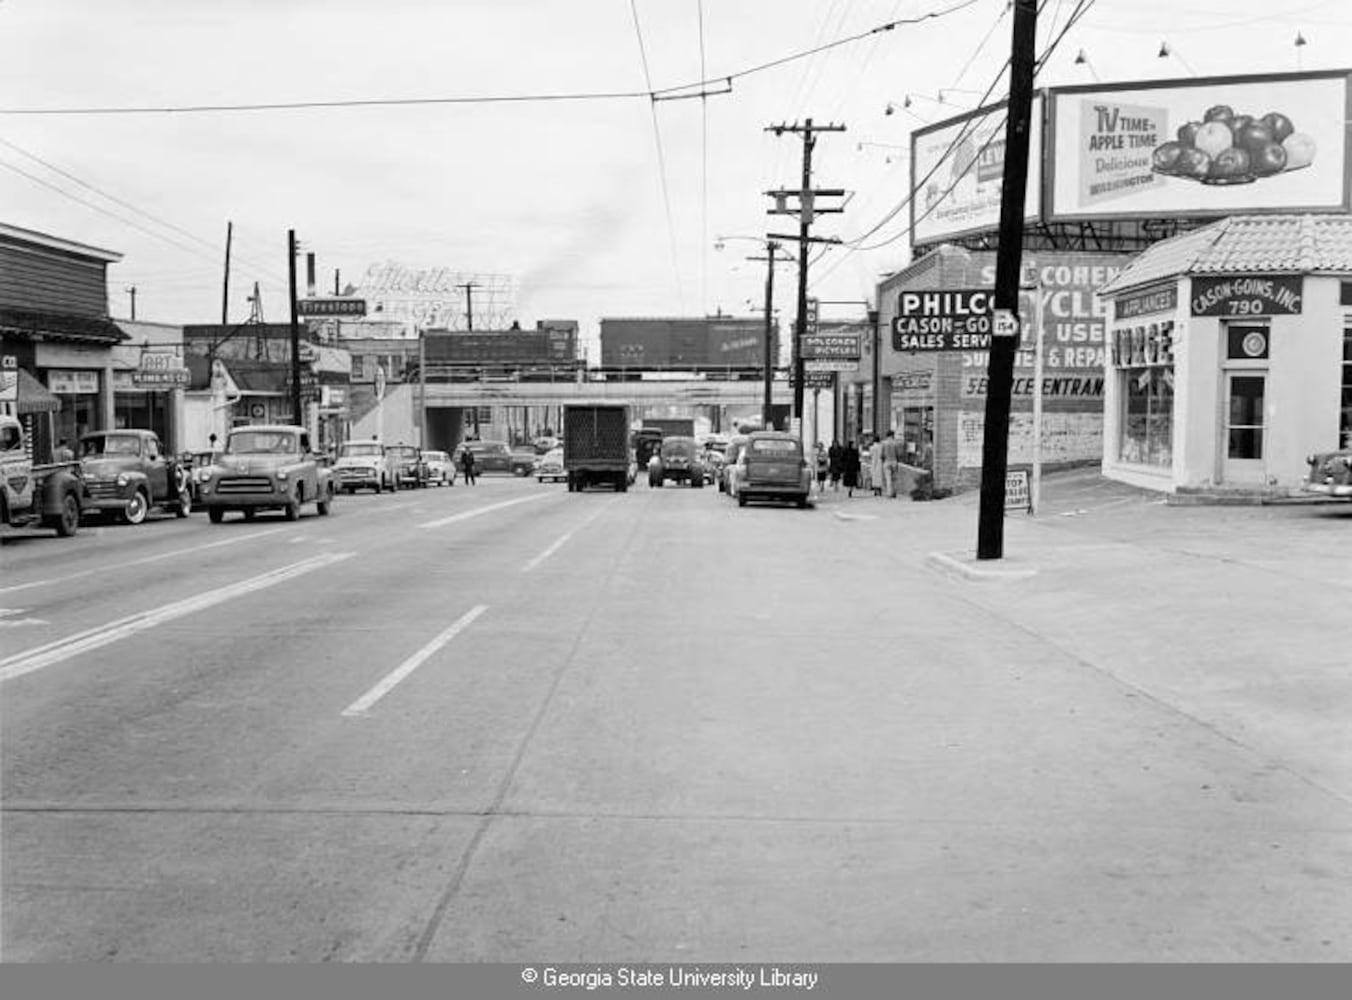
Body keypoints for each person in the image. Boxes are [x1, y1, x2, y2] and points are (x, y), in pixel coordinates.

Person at [881, 430, 902, 499]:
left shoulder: (883, 443)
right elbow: (898, 454)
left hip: (887, 462)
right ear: (892, 435)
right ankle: (894, 492)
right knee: (894, 479)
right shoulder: (895, 443)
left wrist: (883, 460)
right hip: (894, 462)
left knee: (888, 478)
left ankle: (889, 493)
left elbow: (882, 455)